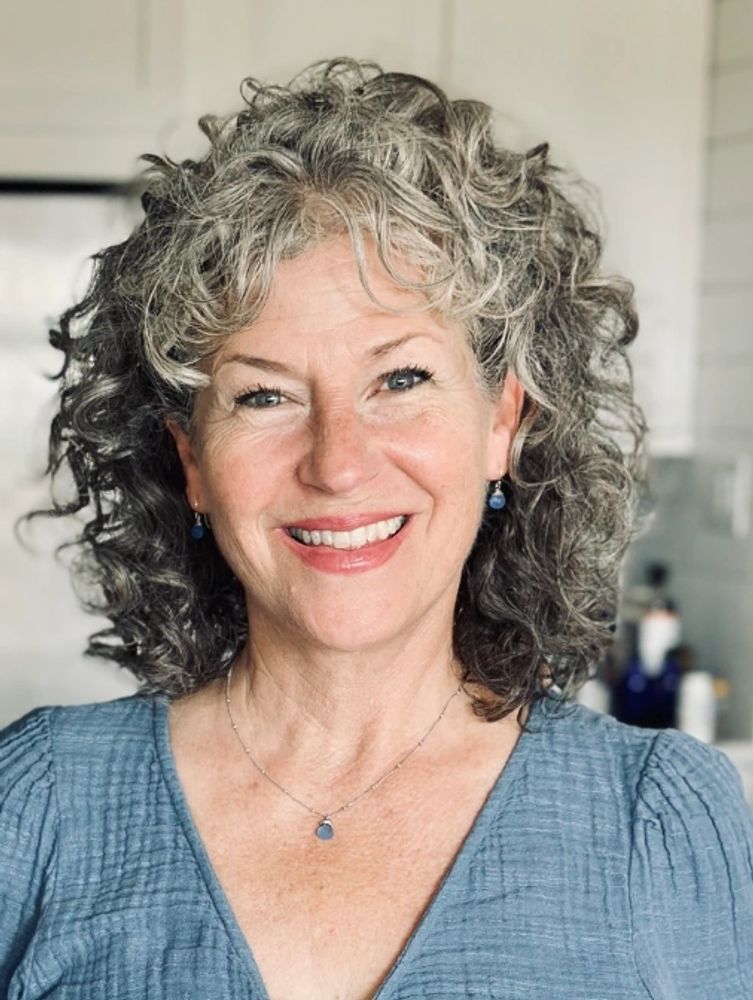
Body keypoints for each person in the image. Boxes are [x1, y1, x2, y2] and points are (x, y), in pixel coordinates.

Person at [1, 57, 751, 1000]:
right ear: (191, 460)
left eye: (400, 380)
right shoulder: (37, 805)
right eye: (264, 395)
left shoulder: (659, 820)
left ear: (501, 424)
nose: (337, 463)